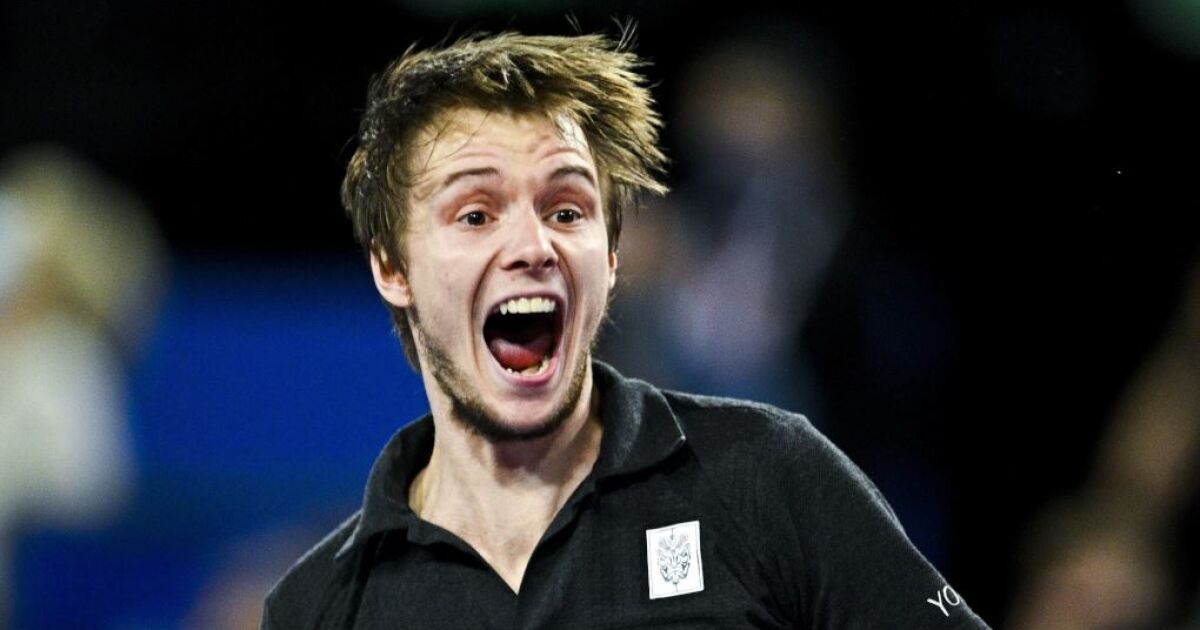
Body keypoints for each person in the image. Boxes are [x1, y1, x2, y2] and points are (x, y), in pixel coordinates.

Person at [262, 30, 990, 629]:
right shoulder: (317, 605)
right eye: (477, 214)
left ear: (611, 257)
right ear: (392, 267)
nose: (533, 247)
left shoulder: (772, 477)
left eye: (567, 211)